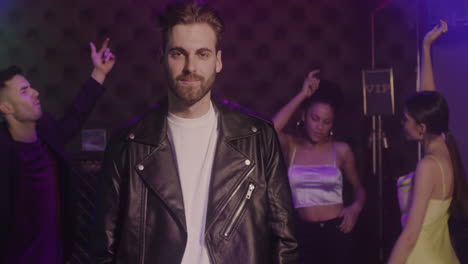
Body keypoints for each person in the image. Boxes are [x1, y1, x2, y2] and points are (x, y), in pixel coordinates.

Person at [90, 2, 298, 264]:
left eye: (202, 54)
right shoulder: (126, 145)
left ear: (218, 61)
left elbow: (285, 242)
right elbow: (102, 251)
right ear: (161, 58)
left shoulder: (258, 136)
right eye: (178, 53)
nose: (190, 67)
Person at [0, 39, 115, 264]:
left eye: (30, 87)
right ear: (6, 107)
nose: (35, 93)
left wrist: (99, 73)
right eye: (24, 91)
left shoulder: (47, 134)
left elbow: (74, 117)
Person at [388, 20, 468, 264]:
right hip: (442, 255)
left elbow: (411, 235)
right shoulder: (444, 146)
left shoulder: (428, 166)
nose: (403, 123)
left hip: (420, 256)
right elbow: (429, 98)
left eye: (406, 119)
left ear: (422, 128)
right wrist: (426, 47)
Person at [272, 70, 366, 264]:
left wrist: (355, 208)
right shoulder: (292, 146)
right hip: (303, 234)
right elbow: (270, 130)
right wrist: (302, 95)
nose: (319, 127)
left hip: (337, 232)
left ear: (332, 125)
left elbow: (359, 189)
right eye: (315, 119)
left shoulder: (341, 150)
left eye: (326, 122)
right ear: (304, 116)